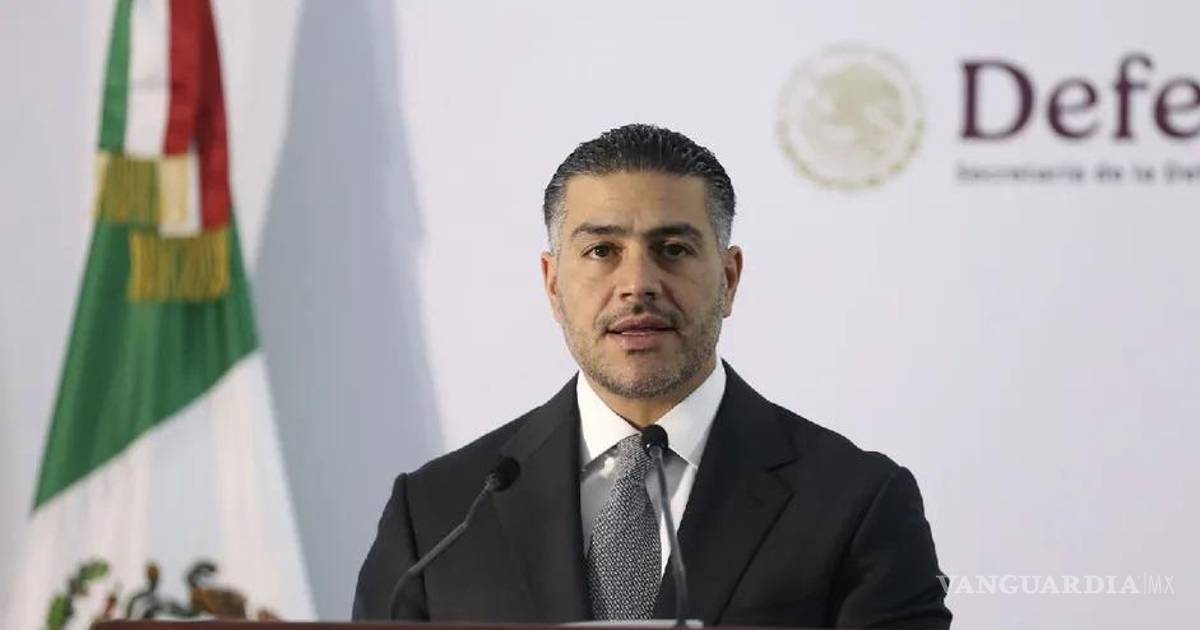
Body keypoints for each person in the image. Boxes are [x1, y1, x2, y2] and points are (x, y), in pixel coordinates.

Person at [353, 124, 951, 628]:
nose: (637, 284)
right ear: (553, 284)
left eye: (673, 249)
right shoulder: (437, 514)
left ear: (729, 279)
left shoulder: (856, 502)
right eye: (601, 251)